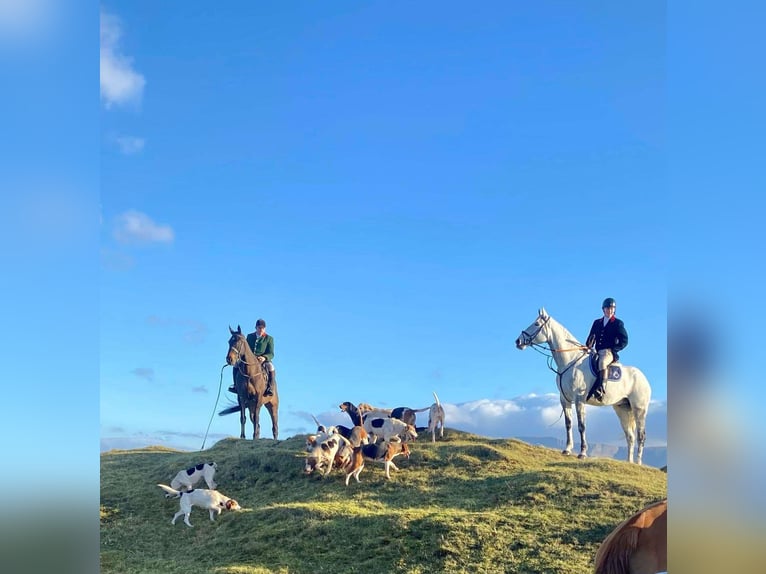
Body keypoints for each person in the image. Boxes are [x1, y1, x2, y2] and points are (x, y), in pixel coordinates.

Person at [585, 297, 628, 402]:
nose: (610, 310)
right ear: (603, 309)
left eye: (612, 308)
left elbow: (624, 340)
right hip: (596, 351)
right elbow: (591, 337)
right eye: (608, 308)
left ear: (614, 310)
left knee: (602, 363)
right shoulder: (597, 322)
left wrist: (614, 349)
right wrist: (588, 345)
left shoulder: (618, 323)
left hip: (608, 352)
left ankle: (600, 387)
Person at [228, 318, 277, 396]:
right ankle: (235, 386)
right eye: (259, 328)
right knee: (236, 365)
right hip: (250, 359)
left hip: (263, 360)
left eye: (262, 328)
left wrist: (264, 357)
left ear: (265, 329)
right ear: (256, 328)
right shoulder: (250, 336)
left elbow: (271, 353)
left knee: (271, 367)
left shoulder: (269, 339)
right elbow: (245, 348)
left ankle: (270, 387)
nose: (261, 329)